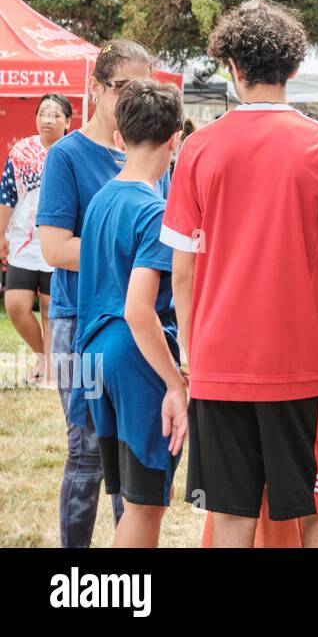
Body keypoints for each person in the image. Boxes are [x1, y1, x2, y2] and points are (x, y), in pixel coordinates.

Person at [161, 0, 318, 548]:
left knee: (230, 521)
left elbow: (181, 268)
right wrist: (307, 235)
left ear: (232, 67)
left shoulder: (198, 149)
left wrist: (190, 352)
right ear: (294, 69)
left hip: (217, 366)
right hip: (299, 368)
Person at [37, 39, 159, 548]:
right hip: (78, 320)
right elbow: (53, 247)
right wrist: (124, 248)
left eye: (144, 87)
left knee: (127, 452)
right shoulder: (67, 155)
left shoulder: (153, 154)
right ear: (96, 89)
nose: (134, 97)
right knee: (87, 451)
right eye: (123, 86)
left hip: (139, 323)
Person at [76, 80, 185, 547]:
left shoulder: (101, 200)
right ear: (175, 138)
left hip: (92, 353)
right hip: (132, 355)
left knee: (130, 499)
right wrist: (177, 381)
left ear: (119, 138)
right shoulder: (155, 211)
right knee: (145, 506)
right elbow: (140, 311)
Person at [0, 93, 72, 384]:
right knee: (16, 304)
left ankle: (51, 369)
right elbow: (7, 195)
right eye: (43, 113)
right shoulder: (21, 151)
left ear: (68, 120)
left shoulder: (72, 152)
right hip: (24, 243)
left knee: (48, 308)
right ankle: (43, 357)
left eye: (56, 114)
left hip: (58, 243)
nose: (48, 119)